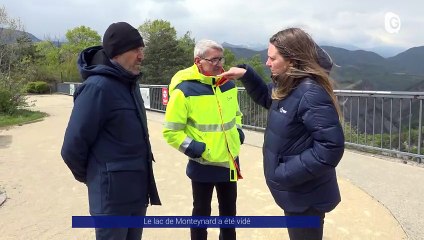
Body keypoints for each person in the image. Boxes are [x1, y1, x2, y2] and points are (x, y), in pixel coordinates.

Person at [219, 28, 345, 240]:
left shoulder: (309, 92)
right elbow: (269, 98)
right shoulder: (289, 84)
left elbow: (330, 147)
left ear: (292, 61)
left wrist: (284, 172)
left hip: (306, 195)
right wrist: (247, 75)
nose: (267, 63)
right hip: (297, 191)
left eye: (272, 58)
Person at [61, 22, 161, 240]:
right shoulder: (97, 88)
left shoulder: (130, 84)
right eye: (136, 50)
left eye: (142, 50)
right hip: (111, 201)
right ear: (118, 52)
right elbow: (71, 148)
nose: (141, 56)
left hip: (137, 194)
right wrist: (98, 177)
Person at [163, 39, 244, 240]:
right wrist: (194, 148)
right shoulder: (184, 90)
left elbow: (236, 115)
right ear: (198, 61)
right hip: (203, 163)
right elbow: (171, 131)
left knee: (229, 213)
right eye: (214, 59)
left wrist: (239, 132)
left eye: (221, 58)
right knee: (201, 213)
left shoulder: (229, 86)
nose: (219, 64)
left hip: (230, 161)